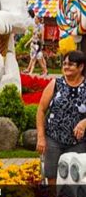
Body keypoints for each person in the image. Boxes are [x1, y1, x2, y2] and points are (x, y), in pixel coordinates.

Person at [36, 50, 86, 185]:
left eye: (71, 64)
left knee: (76, 177)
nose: (66, 67)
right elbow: (41, 110)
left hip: (78, 142)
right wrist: (41, 137)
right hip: (53, 139)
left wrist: (84, 122)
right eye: (64, 64)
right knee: (51, 174)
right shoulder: (55, 84)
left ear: (81, 67)